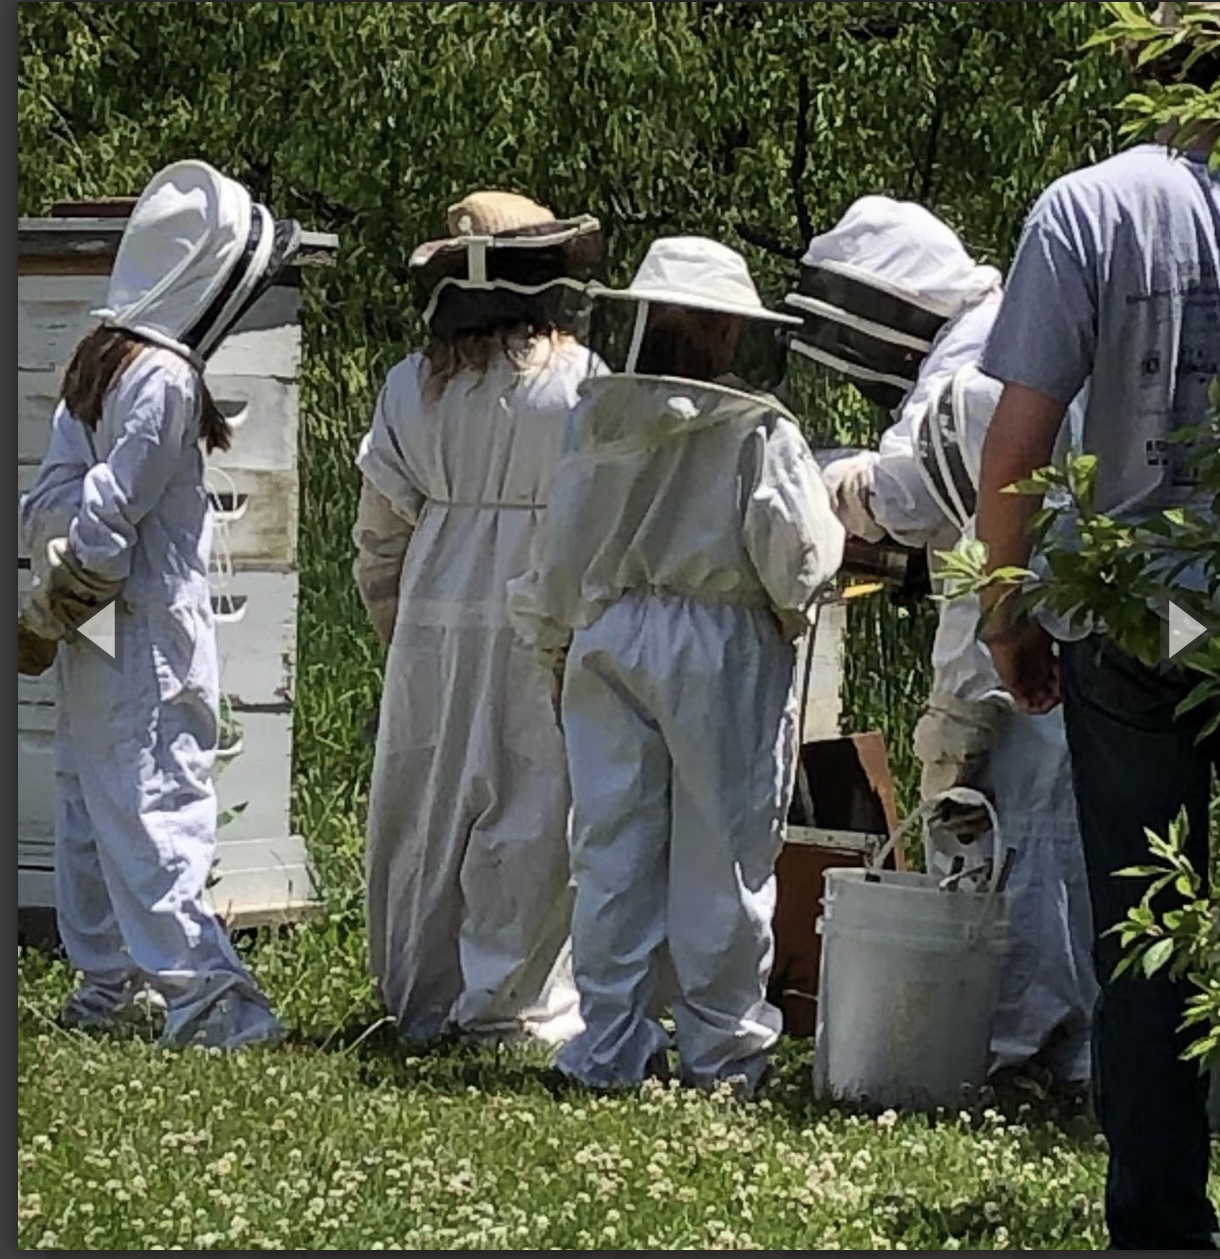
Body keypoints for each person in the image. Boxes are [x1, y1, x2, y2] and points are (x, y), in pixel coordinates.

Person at [973, 3, 1220, 1247]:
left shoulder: (1087, 208)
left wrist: (1003, 610)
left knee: (1146, 913)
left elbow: (1017, 444)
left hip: (1147, 605)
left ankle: (1160, 1220)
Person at [507, 236, 846, 1096]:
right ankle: (723, 1054)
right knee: (722, 851)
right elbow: (800, 556)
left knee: (612, 847)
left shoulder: (599, 417)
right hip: (718, 643)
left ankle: (608, 1046)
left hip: (610, 631)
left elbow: (562, 548)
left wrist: (554, 637)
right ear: (726, 333)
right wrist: (788, 611)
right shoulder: (761, 428)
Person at [785, 196, 1097, 1084]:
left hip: (1017, 624)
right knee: (1056, 827)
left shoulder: (971, 362)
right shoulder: (1013, 328)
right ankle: (1068, 1047)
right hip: (1078, 616)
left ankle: (1017, 1045)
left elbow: (918, 495)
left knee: (1000, 821)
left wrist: (841, 485)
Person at [18, 158, 297, 1049]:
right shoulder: (165, 376)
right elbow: (108, 510)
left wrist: (54, 598)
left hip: (97, 629)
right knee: (155, 802)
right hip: (143, 630)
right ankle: (208, 999)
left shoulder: (100, 361)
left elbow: (51, 501)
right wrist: (72, 586)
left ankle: (109, 984)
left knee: (91, 804)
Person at [351, 190, 605, 1047]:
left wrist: (400, 627)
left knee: (425, 806)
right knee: (534, 808)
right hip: (544, 612)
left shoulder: (410, 387)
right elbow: (603, 514)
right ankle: (509, 1004)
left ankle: (423, 996)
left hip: (433, 616)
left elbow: (378, 533)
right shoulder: (580, 383)